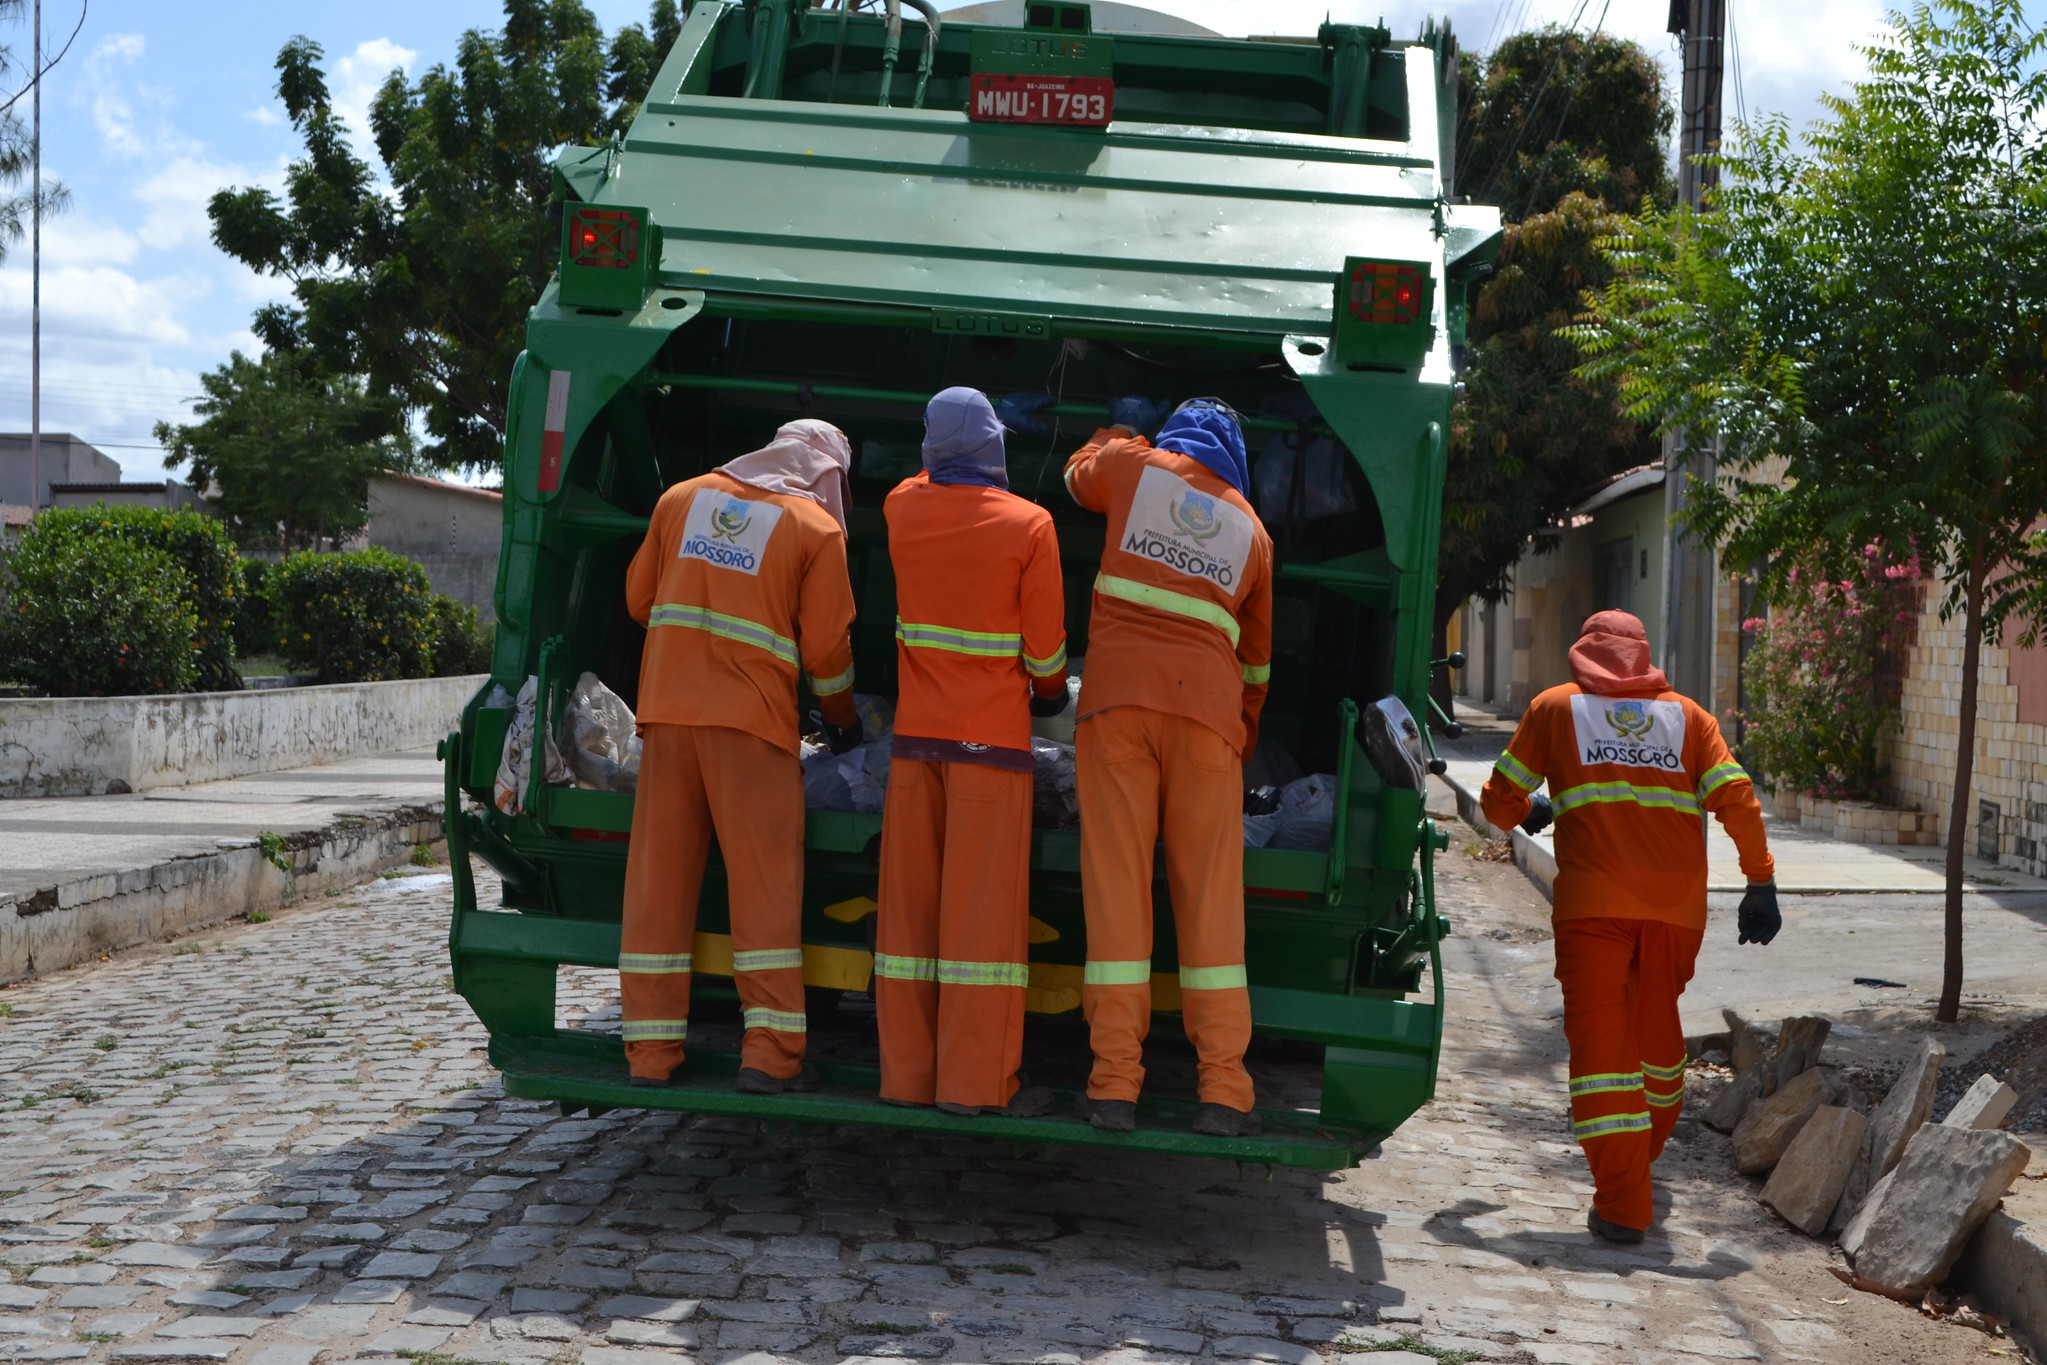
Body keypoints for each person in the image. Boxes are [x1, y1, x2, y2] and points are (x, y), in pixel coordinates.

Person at [1480, 610, 1779, 1244]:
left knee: (1602, 1060)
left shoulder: (1556, 708)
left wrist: (1534, 804)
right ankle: (1636, 1161)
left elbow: (1497, 800)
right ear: (1643, 657)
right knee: (1656, 1047)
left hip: (1593, 910)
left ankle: (1622, 1205)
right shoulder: (1689, 718)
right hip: (1674, 914)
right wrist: (1760, 881)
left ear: (1582, 654)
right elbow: (1739, 798)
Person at [618, 419, 863, 1095]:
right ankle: (771, 1054)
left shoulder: (679, 500)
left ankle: (648, 1053)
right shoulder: (814, 530)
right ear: (826, 473)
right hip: (752, 731)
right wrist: (843, 724)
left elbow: (639, 599)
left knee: (656, 889)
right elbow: (825, 657)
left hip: (666, 720)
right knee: (764, 892)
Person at [1057, 395, 1274, 1138]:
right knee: (1211, 908)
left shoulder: (1132, 466)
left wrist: (1115, 428)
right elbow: (1257, 659)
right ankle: (1224, 1089)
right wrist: (1236, 738)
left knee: (1118, 896)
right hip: (1207, 724)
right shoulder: (1252, 530)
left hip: (1117, 707)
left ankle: (1114, 1083)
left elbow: (1075, 476)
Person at [873, 387, 1070, 1118]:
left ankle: (904, 1076)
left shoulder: (899, 507)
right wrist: (1048, 694)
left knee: (908, 920)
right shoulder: (1031, 525)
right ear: (995, 445)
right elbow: (1045, 649)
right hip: (991, 745)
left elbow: (920, 481)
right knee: (978, 925)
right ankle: (974, 1085)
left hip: (914, 742)